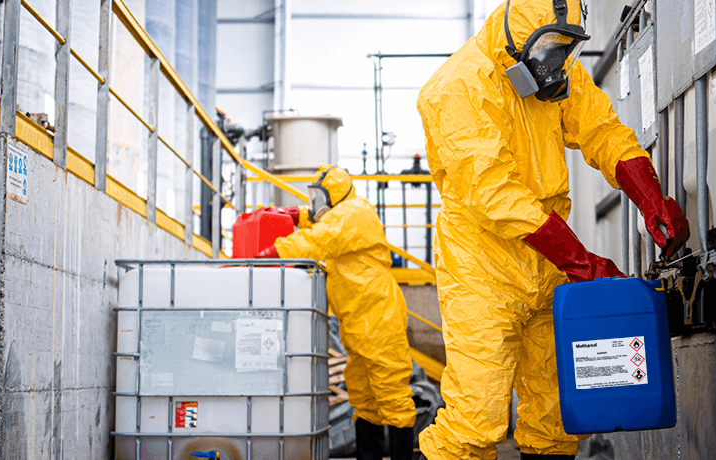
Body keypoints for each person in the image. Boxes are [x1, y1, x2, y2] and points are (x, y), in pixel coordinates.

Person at [414, 0, 690, 458]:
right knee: (476, 419)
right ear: (517, 42)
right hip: (482, 269)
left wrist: (649, 195)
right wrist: (581, 261)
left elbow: (602, 130)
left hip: (547, 264)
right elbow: (493, 194)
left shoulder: (554, 72)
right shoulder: (455, 88)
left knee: (554, 415)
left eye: (566, 51)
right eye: (549, 52)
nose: (558, 65)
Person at [254, 165, 417, 460]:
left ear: (337, 195)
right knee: (363, 396)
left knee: (392, 393)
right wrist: (298, 215)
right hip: (358, 321)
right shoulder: (345, 216)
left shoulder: (356, 210)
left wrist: (274, 251)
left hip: (377, 316)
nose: (316, 204)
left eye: (320, 197)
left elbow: (321, 237)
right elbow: (324, 223)